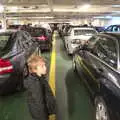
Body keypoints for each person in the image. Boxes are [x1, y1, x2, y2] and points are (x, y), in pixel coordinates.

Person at [24, 55, 56, 120]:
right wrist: (44, 117)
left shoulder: (39, 77)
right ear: (35, 69)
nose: (45, 68)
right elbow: (40, 104)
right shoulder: (35, 84)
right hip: (41, 115)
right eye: (42, 66)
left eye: (44, 65)